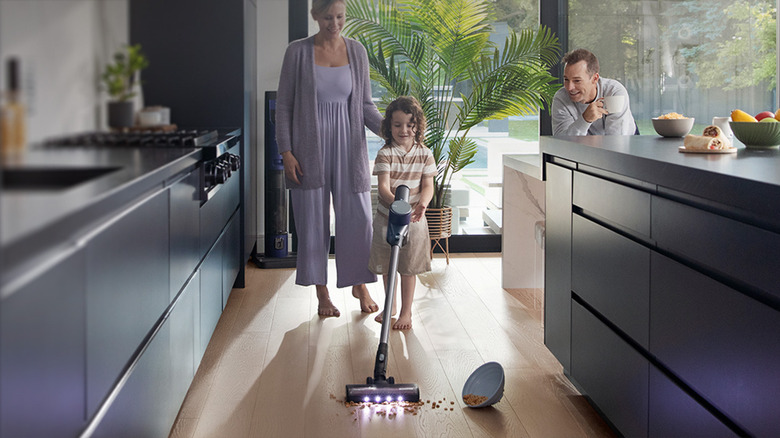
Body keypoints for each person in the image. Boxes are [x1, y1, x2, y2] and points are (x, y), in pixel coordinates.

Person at [275, 0, 381, 317]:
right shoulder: (297, 52)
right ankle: (322, 293)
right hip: (308, 150)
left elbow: (365, 106)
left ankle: (359, 283)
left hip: (349, 148)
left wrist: (392, 130)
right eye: (327, 17)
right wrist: (286, 152)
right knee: (312, 223)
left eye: (340, 17)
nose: (334, 23)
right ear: (315, 16)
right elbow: (283, 106)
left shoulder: (357, 52)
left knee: (359, 220)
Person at [368, 96, 436, 330]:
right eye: (397, 125)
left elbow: (428, 186)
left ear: (417, 125)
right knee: (389, 266)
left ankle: (406, 312)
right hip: (387, 218)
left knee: (408, 268)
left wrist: (422, 205)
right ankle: (391, 307)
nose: (403, 130)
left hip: (415, 220)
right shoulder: (385, 154)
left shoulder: (425, 154)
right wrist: (398, 205)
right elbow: (384, 188)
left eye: (409, 125)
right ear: (389, 127)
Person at [551, 48, 637, 136]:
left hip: (625, 141)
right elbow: (561, 141)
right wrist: (585, 120)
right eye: (566, 79)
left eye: (577, 81)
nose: (569, 87)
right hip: (585, 145)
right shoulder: (561, 98)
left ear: (595, 78)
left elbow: (616, 140)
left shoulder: (613, 92)